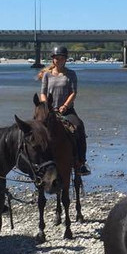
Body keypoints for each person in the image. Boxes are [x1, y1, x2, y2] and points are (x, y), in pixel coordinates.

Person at [38, 46, 90, 175]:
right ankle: (36, 162)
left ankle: (81, 162)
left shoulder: (71, 74)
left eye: (61, 58)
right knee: (34, 130)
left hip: (66, 110)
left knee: (78, 126)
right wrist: (46, 105)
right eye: (56, 58)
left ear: (65, 60)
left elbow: (73, 92)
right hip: (49, 111)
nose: (59, 60)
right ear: (53, 60)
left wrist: (65, 106)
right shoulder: (47, 75)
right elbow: (43, 93)